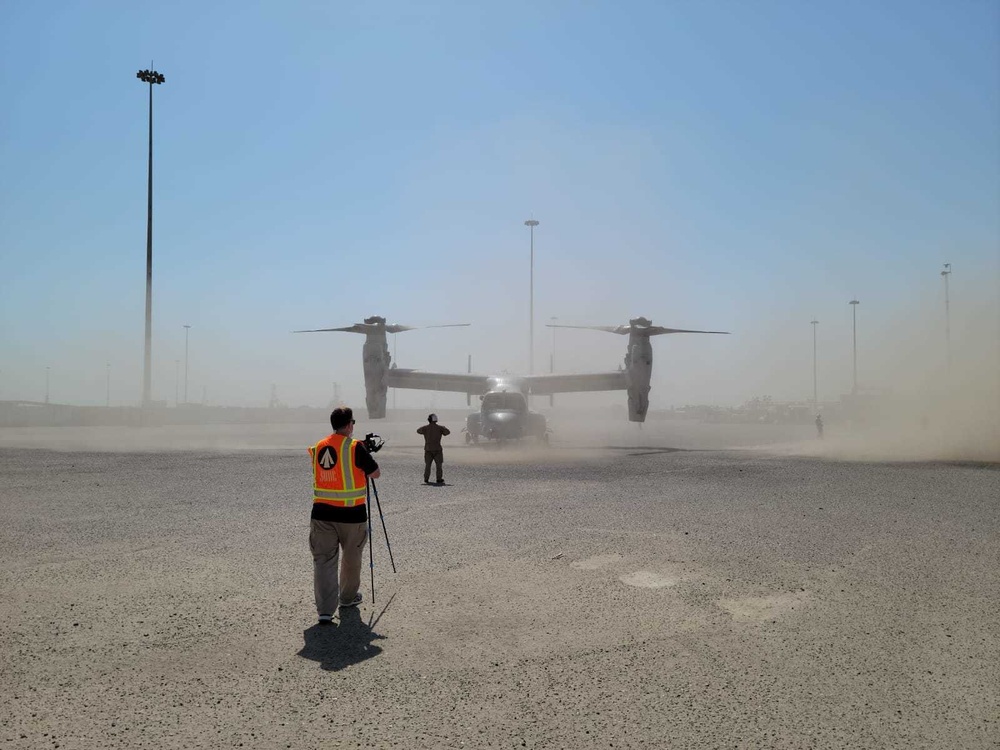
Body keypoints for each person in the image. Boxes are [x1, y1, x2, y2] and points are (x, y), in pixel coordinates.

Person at [308, 406, 380, 626]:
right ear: (349, 425)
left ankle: (325, 611)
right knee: (351, 559)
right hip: (351, 515)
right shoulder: (355, 447)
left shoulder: (319, 446)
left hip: (321, 513)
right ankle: (347, 599)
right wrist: (366, 452)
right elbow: (375, 473)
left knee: (324, 561)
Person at [417, 413, 450, 484]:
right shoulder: (440, 428)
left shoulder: (425, 428)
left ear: (429, 420)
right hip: (437, 449)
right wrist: (443, 428)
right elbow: (447, 432)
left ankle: (426, 478)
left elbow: (418, 431)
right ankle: (439, 479)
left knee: (428, 465)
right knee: (439, 465)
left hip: (428, 449)